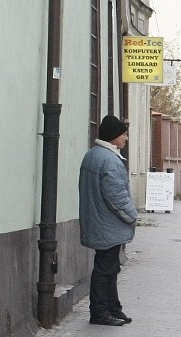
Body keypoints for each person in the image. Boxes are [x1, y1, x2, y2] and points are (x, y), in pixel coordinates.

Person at [79, 116, 138, 326]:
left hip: (99, 221)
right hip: (107, 224)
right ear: (113, 137)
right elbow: (116, 196)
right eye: (123, 134)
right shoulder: (109, 160)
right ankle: (100, 312)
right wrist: (132, 216)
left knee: (110, 267)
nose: (126, 138)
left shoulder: (94, 155)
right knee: (105, 269)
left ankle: (113, 308)